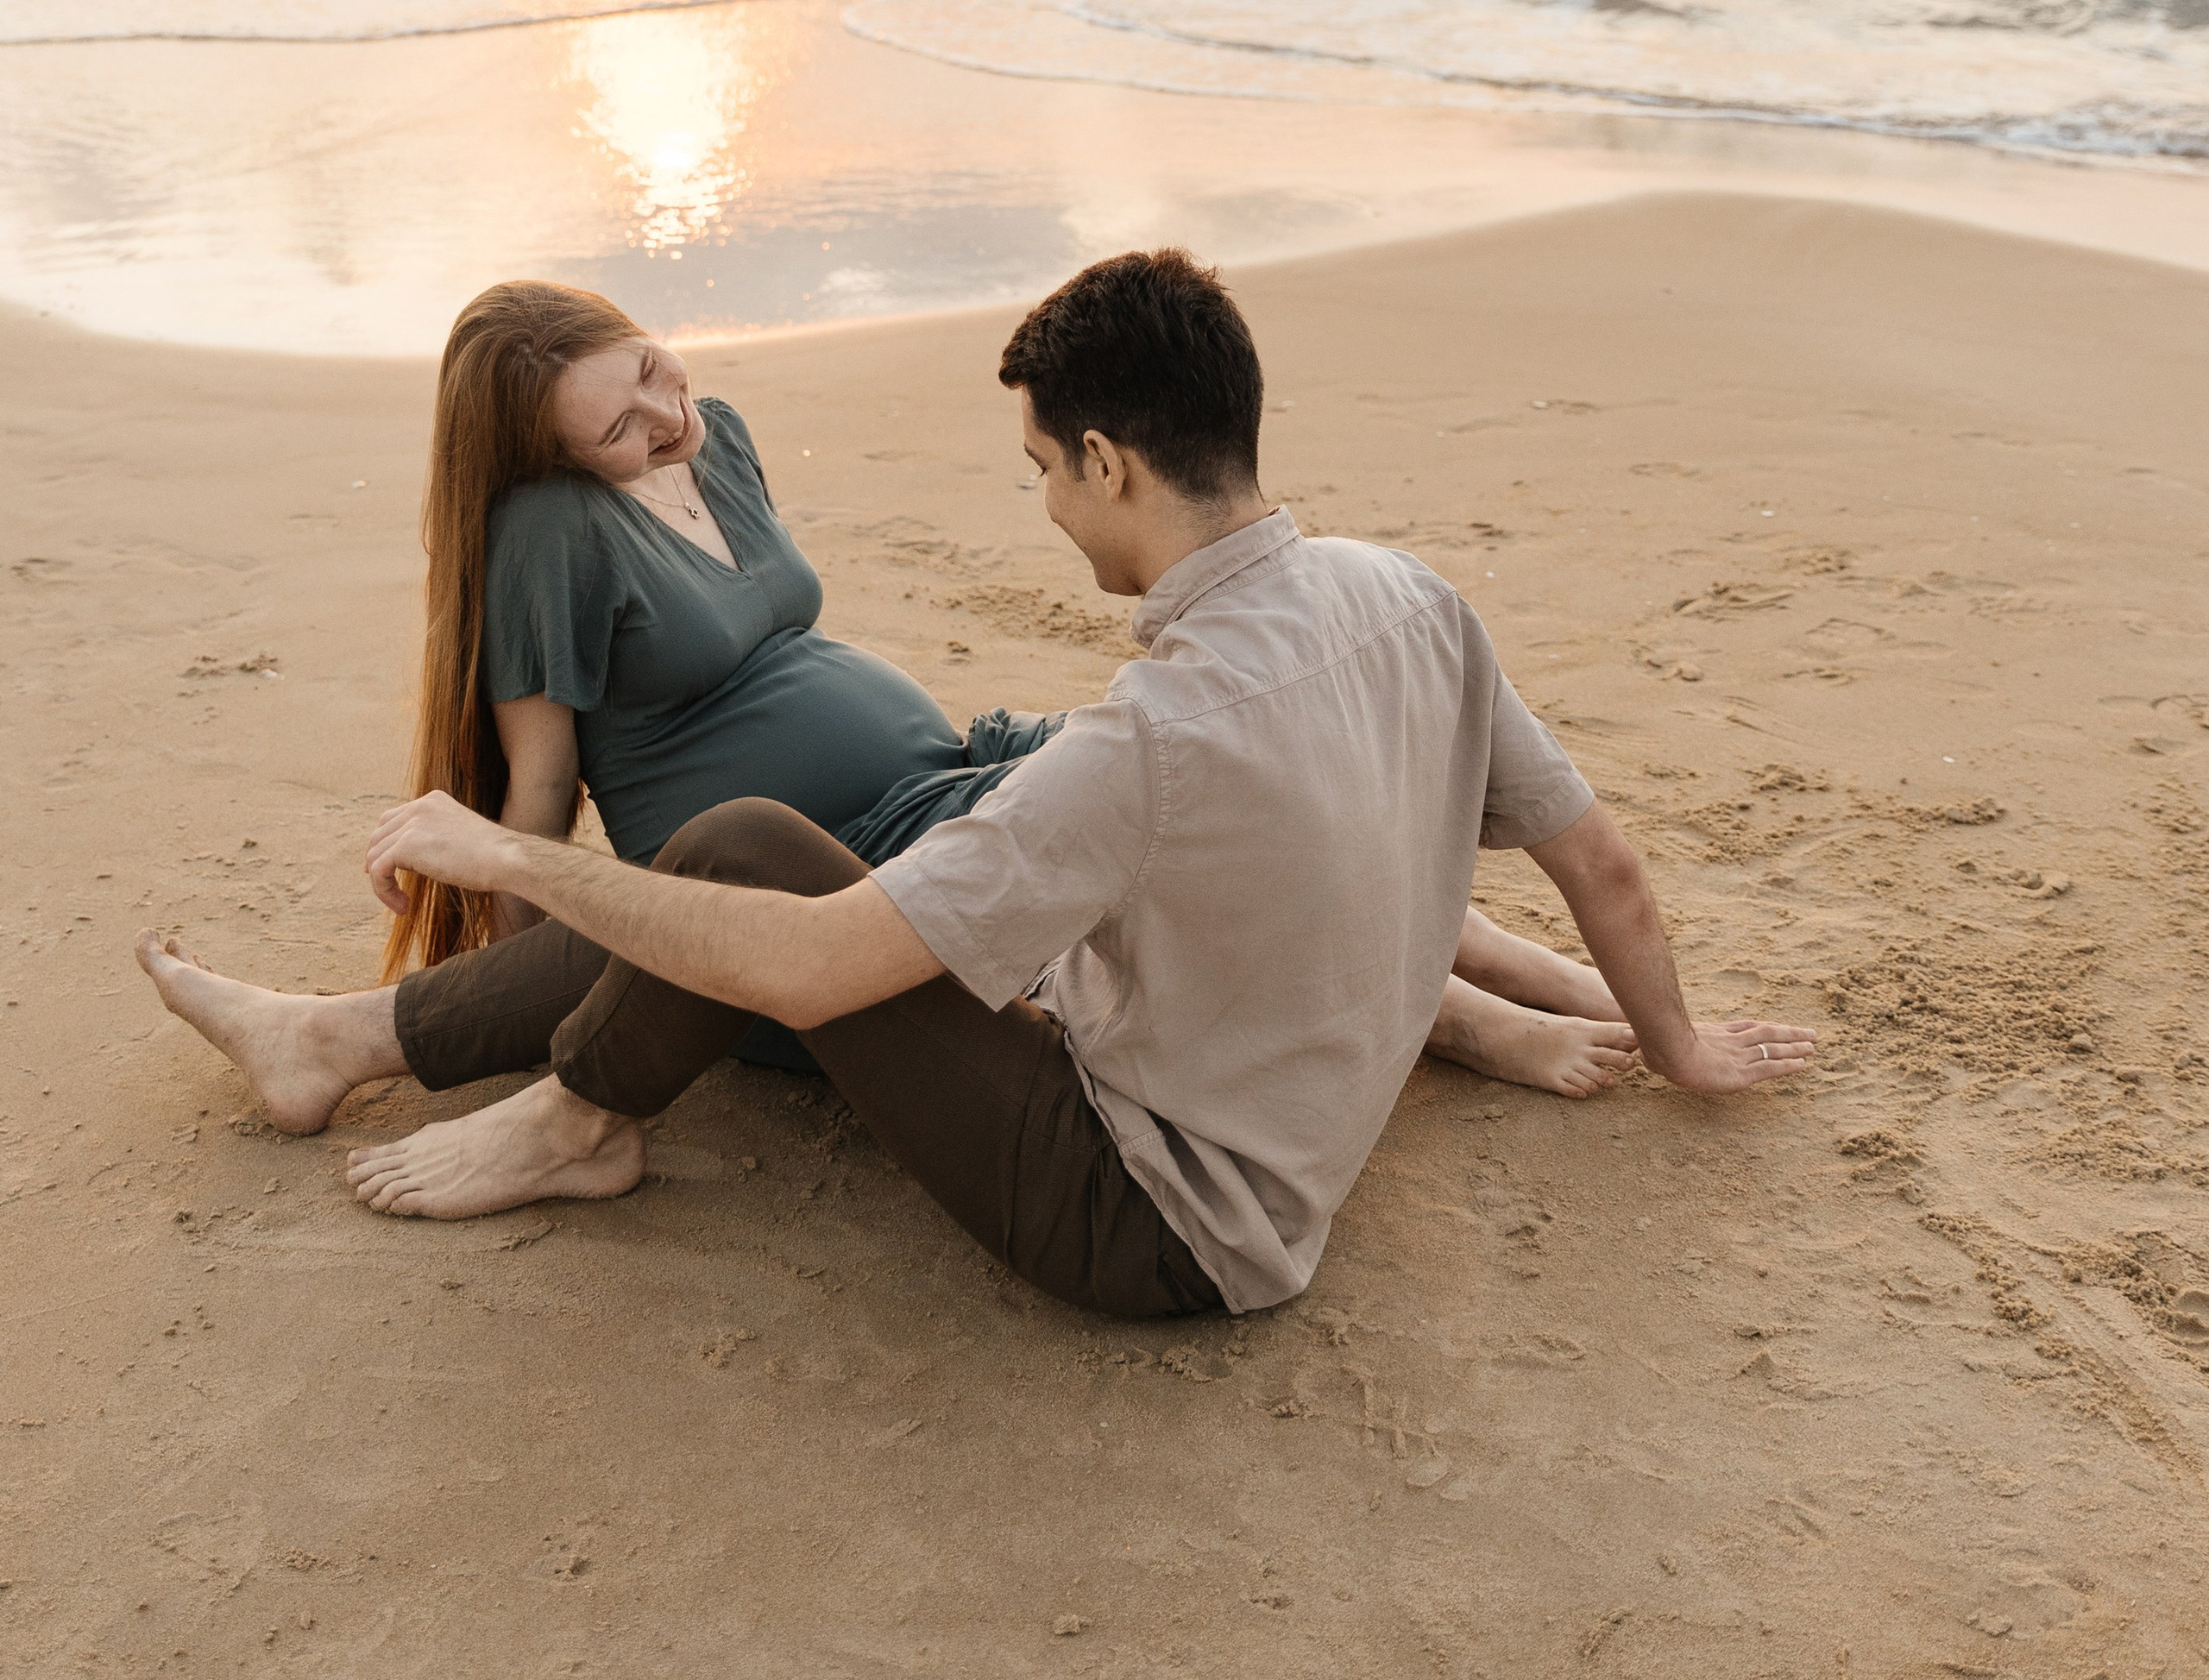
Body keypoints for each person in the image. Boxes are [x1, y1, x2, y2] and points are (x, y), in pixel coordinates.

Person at [142, 249, 1813, 1322]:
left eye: (1039, 473)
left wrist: (524, 870)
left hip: (1154, 1225)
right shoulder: (1406, 595)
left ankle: (556, 1112)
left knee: (743, 857)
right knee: (750, 856)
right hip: (1247, 1121)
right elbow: (1605, 869)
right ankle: (376, 1053)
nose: (1042, 509)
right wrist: (1677, 1046)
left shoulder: (1145, 744)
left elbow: (811, 962)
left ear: (1107, 461)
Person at [138, 278, 1060, 1111]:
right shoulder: (550, 527)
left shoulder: (720, 435)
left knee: (1131, 750)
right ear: (553, 456)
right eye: (617, 430)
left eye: (651, 369)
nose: (665, 415)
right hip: (804, 881)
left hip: (949, 772)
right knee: (1108, 815)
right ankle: (324, 1040)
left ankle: (327, 1037)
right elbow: (541, 783)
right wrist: (494, 998)